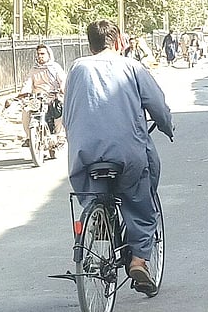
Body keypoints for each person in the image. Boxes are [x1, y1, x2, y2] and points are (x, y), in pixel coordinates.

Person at [64, 20, 173, 294]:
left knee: (92, 196)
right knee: (140, 199)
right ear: (118, 42)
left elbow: (69, 112)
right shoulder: (132, 66)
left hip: (84, 152)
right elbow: (157, 105)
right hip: (127, 153)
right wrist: (166, 126)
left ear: (89, 44)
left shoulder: (77, 68)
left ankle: (99, 223)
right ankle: (138, 260)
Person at [16, 44, 67, 145]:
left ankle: (59, 136)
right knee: (26, 110)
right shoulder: (34, 69)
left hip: (52, 97)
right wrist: (23, 93)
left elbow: (63, 80)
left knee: (60, 109)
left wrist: (62, 88)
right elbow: (28, 82)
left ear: (49, 54)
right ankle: (29, 137)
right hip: (37, 99)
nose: (40, 56)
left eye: (42, 54)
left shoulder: (55, 67)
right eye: (38, 54)